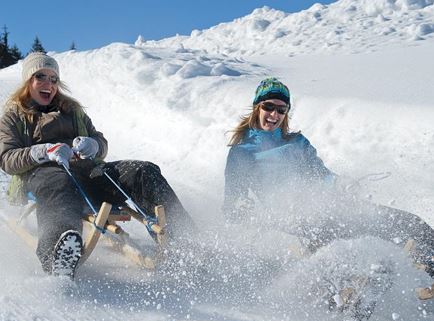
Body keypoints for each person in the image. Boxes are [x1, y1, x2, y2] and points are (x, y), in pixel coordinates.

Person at [0, 52, 194, 278]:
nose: (48, 84)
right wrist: (43, 151)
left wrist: (94, 145)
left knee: (143, 171)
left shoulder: (72, 110)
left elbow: (100, 140)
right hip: (45, 175)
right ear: (27, 81)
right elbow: (7, 159)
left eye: (53, 79)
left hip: (87, 172)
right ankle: (56, 255)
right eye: (40, 76)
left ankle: (187, 241)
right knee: (59, 183)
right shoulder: (14, 115)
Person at [223, 77, 434, 280]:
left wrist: (339, 183)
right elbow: (233, 204)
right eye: (269, 106)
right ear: (257, 107)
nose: (274, 114)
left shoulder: (297, 142)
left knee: (412, 225)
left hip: (326, 209)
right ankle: (347, 295)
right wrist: (244, 209)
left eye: (281, 109)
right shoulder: (242, 152)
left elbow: (320, 175)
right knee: (366, 261)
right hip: (292, 224)